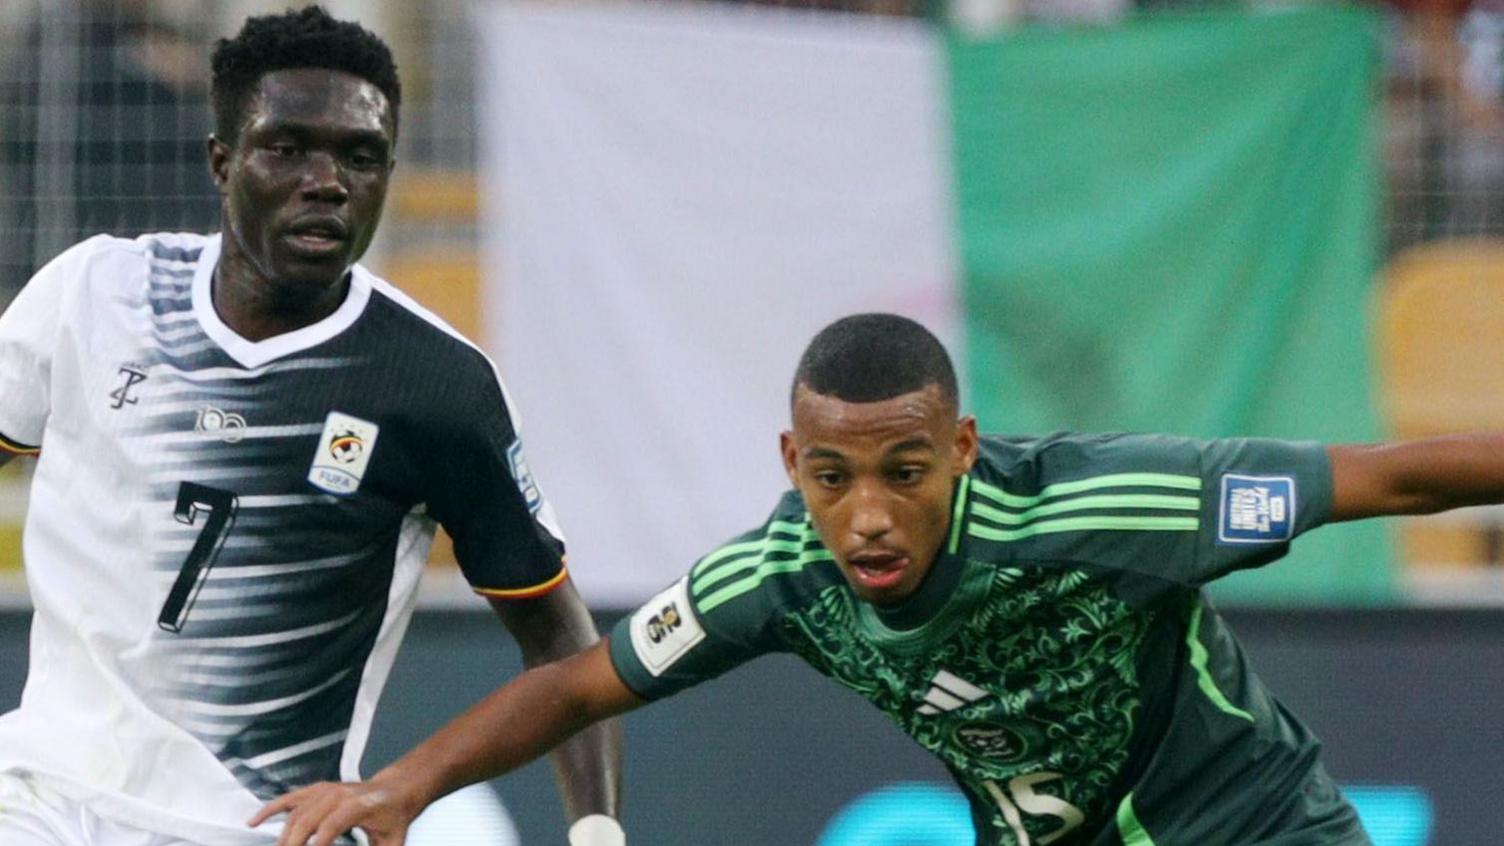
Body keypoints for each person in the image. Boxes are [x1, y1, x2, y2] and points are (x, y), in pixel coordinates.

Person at [265, 309, 1504, 846]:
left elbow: (1391, 479)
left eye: (904, 472)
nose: (866, 515)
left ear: (959, 448)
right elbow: (582, 684)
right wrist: (400, 787)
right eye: (831, 476)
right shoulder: (777, 575)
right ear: (789, 463)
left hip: (1252, 827)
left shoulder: (1103, 505)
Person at [0, 7, 623, 846]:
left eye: (360, 157)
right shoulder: (94, 295)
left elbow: (563, 645)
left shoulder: (435, 383)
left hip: (253, 826)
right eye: (287, 148)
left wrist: (596, 833)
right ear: (222, 162)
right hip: (39, 800)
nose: (326, 181)